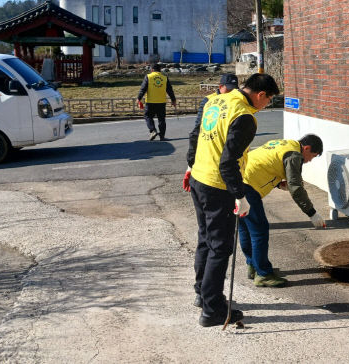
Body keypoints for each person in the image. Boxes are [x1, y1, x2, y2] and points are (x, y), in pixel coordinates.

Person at [182, 73, 280, 327]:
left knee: (206, 239)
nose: (266, 105)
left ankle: (202, 295)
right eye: (268, 101)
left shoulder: (216, 100)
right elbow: (229, 162)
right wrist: (239, 195)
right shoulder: (245, 116)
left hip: (198, 179)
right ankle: (212, 310)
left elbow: (196, 136)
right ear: (261, 95)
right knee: (221, 248)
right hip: (217, 186)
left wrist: (190, 166)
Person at [238, 135, 326, 288]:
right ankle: (263, 274)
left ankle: (253, 266)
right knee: (259, 231)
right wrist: (312, 213)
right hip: (248, 187)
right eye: (312, 156)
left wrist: (279, 184)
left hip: (237, 178)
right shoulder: (294, 155)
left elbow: (267, 163)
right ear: (307, 148)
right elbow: (296, 188)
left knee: (245, 227)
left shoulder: (284, 144)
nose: (310, 160)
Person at [137, 63, 176, 141]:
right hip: (161, 102)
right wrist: (173, 100)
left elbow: (143, 89)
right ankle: (162, 136)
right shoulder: (164, 78)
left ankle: (153, 130)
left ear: (152, 70)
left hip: (150, 102)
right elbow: (169, 90)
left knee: (148, 116)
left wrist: (139, 98)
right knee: (161, 119)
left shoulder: (148, 77)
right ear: (160, 70)